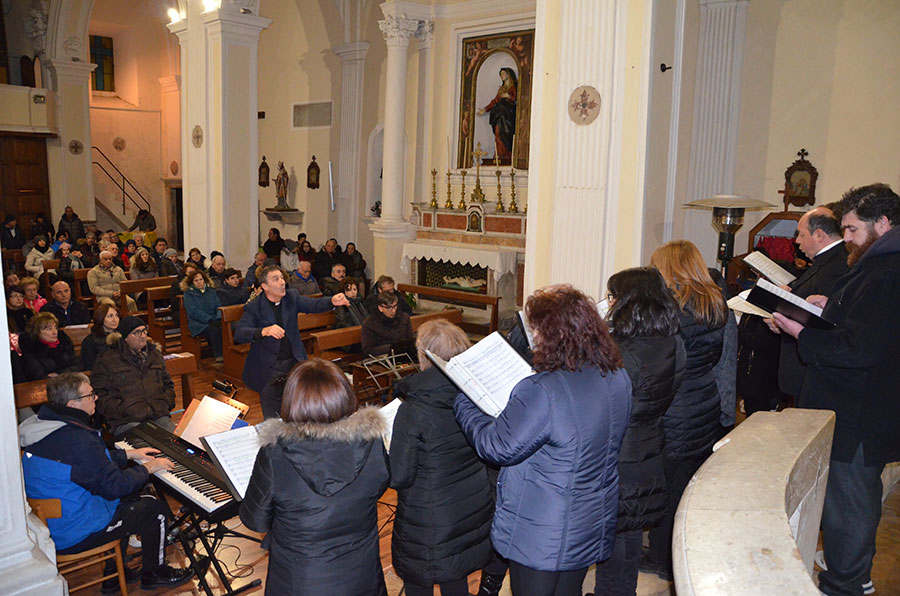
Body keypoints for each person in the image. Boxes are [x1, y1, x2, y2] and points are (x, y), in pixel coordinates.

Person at [454, 285, 631, 594]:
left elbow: (495, 446)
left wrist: (464, 400)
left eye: (538, 331)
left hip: (543, 531)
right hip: (590, 518)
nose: (534, 337)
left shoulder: (544, 390)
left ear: (558, 335)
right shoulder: (617, 376)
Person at [773, 184, 900, 596]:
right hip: (856, 408)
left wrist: (800, 333)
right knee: (848, 501)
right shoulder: (879, 263)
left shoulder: (887, 270)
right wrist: (832, 306)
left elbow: (859, 348)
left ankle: (847, 583)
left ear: (881, 223)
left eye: (850, 229)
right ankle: (847, 577)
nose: (844, 238)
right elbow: (866, 327)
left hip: (858, 414)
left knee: (849, 505)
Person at [18, 373, 194, 591]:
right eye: (90, 395)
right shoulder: (77, 439)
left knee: (129, 500)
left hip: (53, 522)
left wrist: (129, 455)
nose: (96, 398)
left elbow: (86, 465)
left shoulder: (46, 427)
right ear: (73, 404)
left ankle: (112, 577)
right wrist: (148, 467)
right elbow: (114, 486)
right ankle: (154, 574)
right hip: (74, 532)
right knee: (153, 509)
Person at [240, 358, 390, 596]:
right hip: (361, 574)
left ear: (292, 401)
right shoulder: (371, 442)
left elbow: (255, 520)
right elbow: (379, 485)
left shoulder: (275, 454)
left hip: (300, 580)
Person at [590, 268, 686, 596]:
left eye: (613, 296)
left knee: (614, 543)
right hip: (648, 450)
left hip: (619, 459)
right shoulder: (671, 340)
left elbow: (598, 409)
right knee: (628, 535)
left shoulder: (624, 354)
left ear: (630, 303)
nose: (609, 303)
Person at [643, 240, 729, 581]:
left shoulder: (676, 315)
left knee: (668, 488)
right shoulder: (712, 304)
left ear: (670, 270)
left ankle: (663, 560)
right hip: (702, 400)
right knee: (683, 486)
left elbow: (658, 364)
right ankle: (670, 551)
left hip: (676, 408)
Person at [390, 320, 493, 596]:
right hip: (470, 507)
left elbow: (399, 476)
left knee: (418, 581)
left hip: (428, 519)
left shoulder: (413, 409)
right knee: (455, 575)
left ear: (424, 356)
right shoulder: (477, 394)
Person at [234, 264, 349, 418]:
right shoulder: (254, 307)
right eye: (276, 279)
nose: (282, 282)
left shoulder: (291, 297)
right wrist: (264, 331)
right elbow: (240, 333)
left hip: (293, 363)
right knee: (273, 420)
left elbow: (312, 305)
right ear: (265, 286)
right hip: (269, 369)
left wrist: (332, 301)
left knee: (297, 413)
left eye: (282, 278)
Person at [771, 207, 848, 399]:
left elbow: (827, 321)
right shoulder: (827, 261)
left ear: (819, 235)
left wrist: (784, 317)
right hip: (804, 371)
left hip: (812, 372)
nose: (797, 241)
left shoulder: (836, 265)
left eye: (801, 235)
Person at [92, 316, 176, 437]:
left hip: (158, 415)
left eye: (144, 330)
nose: (143, 336)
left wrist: (165, 402)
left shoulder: (155, 355)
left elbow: (168, 384)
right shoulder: (107, 360)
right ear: (125, 337)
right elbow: (100, 394)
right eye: (136, 332)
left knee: (177, 445)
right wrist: (123, 410)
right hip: (127, 420)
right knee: (147, 450)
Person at [19, 312, 80, 380]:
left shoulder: (64, 344)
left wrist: (59, 374)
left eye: (55, 328)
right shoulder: (31, 350)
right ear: (37, 332)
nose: (55, 332)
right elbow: (37, 375)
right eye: (49, 329)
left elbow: (77, 365)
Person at [477, 67, 518, 161]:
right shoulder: (502, 89)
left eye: (503, 74)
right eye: (501, 74)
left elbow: (516, 99)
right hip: (499, 115)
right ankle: (499, 154)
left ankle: (507, 155)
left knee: (507, 133)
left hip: (508, 115)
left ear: (509, 74)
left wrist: (508, 96)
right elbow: (495, 101)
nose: (502, 76)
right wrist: (485, 109)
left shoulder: (513, 87)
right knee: (498, 132)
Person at [182, 268, 224, 360]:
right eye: (196, 280)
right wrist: (209, 319)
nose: (199, 282)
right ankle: (219, 354)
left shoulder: (210, 291)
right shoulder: (189, 294)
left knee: (226, 327)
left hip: (213, 320)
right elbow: (193, 311)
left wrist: (218, 317)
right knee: (214, 330)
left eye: (201, 279)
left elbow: (218, 305)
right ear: (192, 282)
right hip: (199, 324)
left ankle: (229, 352)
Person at [361, 291, 413, 356]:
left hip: (403, 354)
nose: (394, 310)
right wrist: (391, 347)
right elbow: (367, 350)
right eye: (389, 308)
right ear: (380, 308)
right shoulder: (369, 323)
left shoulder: (404, 317)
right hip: (382, 356)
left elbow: (410, 340)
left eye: (395, 306)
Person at [80, 303, 119, 370]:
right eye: (110, 316)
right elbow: (89, 366)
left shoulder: (122, 336)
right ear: (101, 318)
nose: (115, 319)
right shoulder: (90, 341)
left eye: (116, 315)